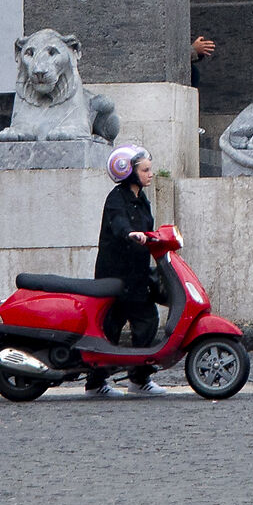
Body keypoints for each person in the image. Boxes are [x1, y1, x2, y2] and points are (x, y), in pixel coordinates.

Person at [88, 143, 160, 396]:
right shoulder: (116, 199)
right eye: (145, 170)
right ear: (130, 172)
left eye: (150, 169)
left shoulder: (142, 200)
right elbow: (118, 224)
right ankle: (97, 383)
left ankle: (138, 378)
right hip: (116, 275)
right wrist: (130, 233)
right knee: (110, 326)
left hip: (136, 274)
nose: (150, 174)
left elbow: (148, 229)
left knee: (147, 321)